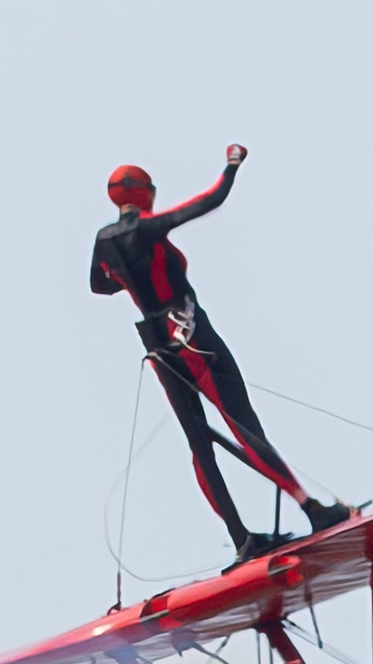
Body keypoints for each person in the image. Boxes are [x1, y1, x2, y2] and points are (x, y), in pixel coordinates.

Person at [89, 145, 351, 566]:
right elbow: (209, 201)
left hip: (157, 348)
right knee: (243, 426)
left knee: (199, 444)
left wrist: (129, 281)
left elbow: (98, 286)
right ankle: (313, 510)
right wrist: (232, 166)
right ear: (142, 193)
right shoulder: (152, 228)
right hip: (193, 338)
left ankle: (242, 540)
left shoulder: (104, 240)